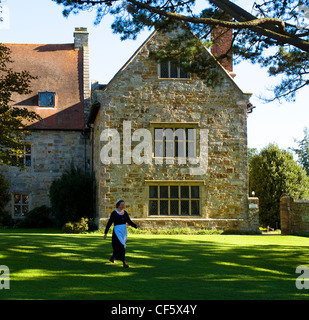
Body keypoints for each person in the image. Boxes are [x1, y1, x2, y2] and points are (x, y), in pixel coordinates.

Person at [104, 199, 140, 268]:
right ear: (118, 205)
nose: (123, 206)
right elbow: (109, 223)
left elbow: (129, 221)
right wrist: (106, 233)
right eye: (121, 204)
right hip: (117, 231)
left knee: (120, 246)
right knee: (121, 246)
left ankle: (112, 258)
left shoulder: (125, 212)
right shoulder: (114, 213)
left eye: (123, 204)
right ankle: (124, 263)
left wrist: (135, 226)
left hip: (123, 231)